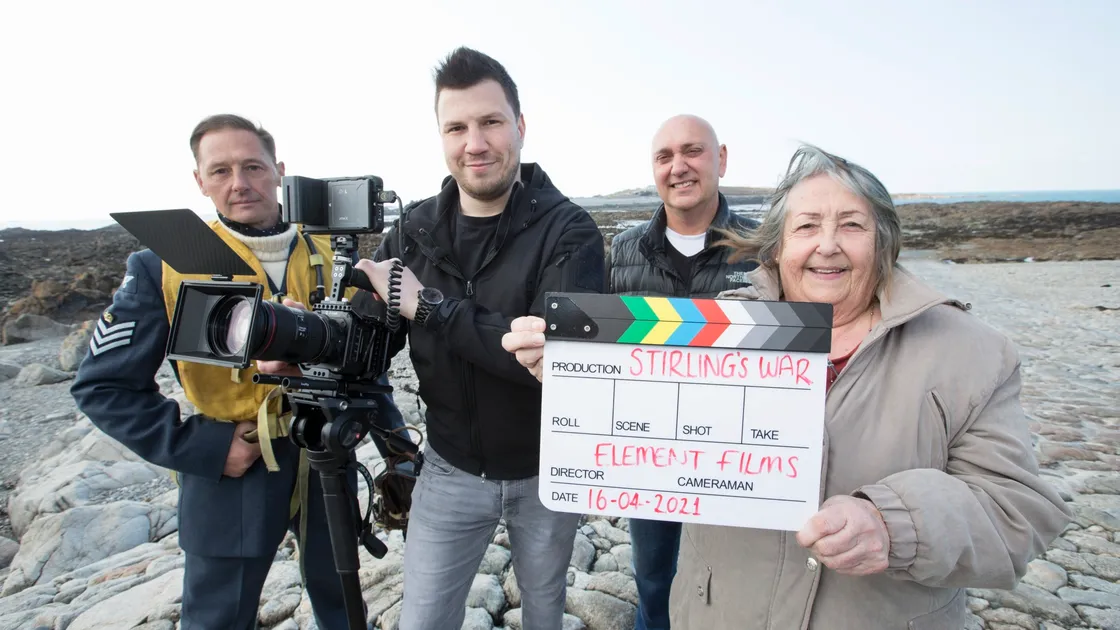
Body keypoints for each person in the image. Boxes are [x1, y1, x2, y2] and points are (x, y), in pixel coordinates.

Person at [664, 144, 1068, 627]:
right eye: (807, 226)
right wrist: (567, 369)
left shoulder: (971, 351)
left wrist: (895, 524)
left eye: (851, 225)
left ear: (884, 242)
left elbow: (1017, 514)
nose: (828, 244)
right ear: (777, 246)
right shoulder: (713, 332)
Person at [276, 47, 605, 630]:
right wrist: (309, 340)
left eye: (490, 122)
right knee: (423, 620)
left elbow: (553, 364)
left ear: (520, 128)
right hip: (448, 471)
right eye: (456, 127)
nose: (474, 142)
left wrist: (424, 305)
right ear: (441, 136)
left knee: (545, 614)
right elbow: (371, 348)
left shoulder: (571, 231)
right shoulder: (413, 231)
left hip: (549, 471)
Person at [70, 113, 408, 630]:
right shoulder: (166, 262)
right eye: (221, 170)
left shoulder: (331, 254)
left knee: (342, 601)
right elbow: (102, 385)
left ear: (279, 171)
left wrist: (400, 455)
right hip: (235, 462)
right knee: (218, 616)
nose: (240, 183)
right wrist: (201, 447)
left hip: (329, 454)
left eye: (252, 166)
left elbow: (366, 368)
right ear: (199, 181)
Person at [604, 113, 760, 630]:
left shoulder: (765, 248)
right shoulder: (623, 249)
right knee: (653, 576)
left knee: (737, 579)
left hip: (739, 453)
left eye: (692, 151)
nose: (679, 167)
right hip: (650, 450)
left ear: (721, 158)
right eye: (664, 157)